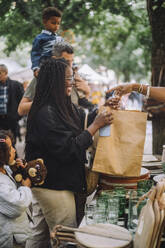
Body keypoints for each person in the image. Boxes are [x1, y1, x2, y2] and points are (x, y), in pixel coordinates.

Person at [25, 58, 114, 247]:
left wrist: (106, 108)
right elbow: (69, 148)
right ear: (54, 81)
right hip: (54, 185)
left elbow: (86, 118)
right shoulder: (45, 112)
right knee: (66, 237)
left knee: (39, 236)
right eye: (67, 78)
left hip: (52, 182)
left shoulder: (63, 106)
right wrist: (96, 125)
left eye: (72, 77)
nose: (72, 82)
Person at [18, 41, 94, 116]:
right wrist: (48, 101)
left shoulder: (75, 79)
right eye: (66, 62)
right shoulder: (42, 78)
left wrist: (87, 92)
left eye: (72, 62)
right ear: (54, 59)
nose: (70, 66)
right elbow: (21, 110)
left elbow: (83, 109)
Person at [0, 130, 32, 248]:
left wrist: (18, 172)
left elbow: (13, 188)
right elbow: (17, 205)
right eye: (10, 148)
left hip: (16, 233)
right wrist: (25, 187)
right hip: (9, 238)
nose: (14, 150)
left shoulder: (5, 170)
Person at [31, 6, 63, 77]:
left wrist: (73, 64)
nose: (57, 26)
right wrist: (36, 68)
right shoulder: (39, 38)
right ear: (44, 22)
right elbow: (35, 54)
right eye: (53, 23)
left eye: (58, 23)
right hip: (45, 70)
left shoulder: (60, 39)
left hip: (59, 70)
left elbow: (66, 53)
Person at [0, 64, 24, 143]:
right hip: (0, 120)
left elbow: (22, 101)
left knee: (12, 141)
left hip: (12, 119)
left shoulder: (16, 85)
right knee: (2, 141)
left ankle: (13, 153)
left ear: (6, 72)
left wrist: (17, 116)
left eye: (0, 73)